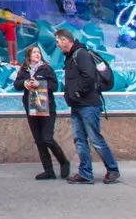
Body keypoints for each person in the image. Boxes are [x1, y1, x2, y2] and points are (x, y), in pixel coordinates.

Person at [54, 27, 119, 184]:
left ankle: (112, 169)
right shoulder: (70, 56)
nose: (57, 45)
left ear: (65, 40)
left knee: (95, 138)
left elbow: (88, 77)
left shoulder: (81, 54)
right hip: (77, 105)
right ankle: (85, 173)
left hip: (88, 104)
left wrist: (77, 93)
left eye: (58, 42)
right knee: (79, 139)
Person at [12, 44, 69, 180]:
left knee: (47, 138)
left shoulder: (46, 68)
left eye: (38, 52)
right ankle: (48, 170)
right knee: (39, 140)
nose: (37, 54)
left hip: (47, 106)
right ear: (29, 56)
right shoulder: (24, 70)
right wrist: (25, 83)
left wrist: (41, 84)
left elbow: (55, 86)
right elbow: (16, 84)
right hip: (32, 106)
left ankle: (64, 162)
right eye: (34, 52)